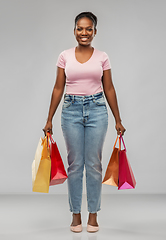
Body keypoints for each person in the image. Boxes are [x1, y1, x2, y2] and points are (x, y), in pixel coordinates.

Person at [43, 11, 126, 233]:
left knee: (94, 164)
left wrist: (118, 119)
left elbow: (108, 88)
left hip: (97, 110)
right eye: (80, 28)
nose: (84, 32)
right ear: (74, 31)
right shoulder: (64, 56)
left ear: (95, 32)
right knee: (75, 164)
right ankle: (75, 215)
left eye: (89, 29)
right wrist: (49, 118)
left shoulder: (102, 57)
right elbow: (58, 88)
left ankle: (93, 215)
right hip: (70, 111)